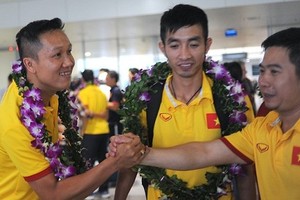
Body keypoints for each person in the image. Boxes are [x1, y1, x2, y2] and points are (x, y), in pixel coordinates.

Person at [110, 27, 300, 200]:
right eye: (263, 71)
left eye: (274, 72)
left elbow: (242, 173)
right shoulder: (263, 128)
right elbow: (202, 153)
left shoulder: (229, 100)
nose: (263, 81)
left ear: (206, 45)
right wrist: (138, 152)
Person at [114, 4, 256, 200]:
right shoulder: (147, 99)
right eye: (174, 45)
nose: (185, 55)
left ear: (207, 45)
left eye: (194, 44)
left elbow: (245, 167)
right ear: (162, 48)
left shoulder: (233, 100)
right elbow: (130, 160)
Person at [0, 18, 143, 200]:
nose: (69, 62)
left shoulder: (49, 92)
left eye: (69, 51)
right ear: (29, 64)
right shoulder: (16, 120)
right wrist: (116, 161)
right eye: (57, 55)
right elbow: (53, 193)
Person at [77, 69, 111, 198]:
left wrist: (81, 132)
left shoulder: (83, 93)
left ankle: (88, 191)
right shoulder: (101, 93)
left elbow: (84, 115)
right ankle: (104, 190)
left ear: (83, 80)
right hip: (104, 130)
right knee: (103, 162)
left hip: (90, 132)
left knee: (87, 163)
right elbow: (106, 115)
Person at [106, 70, 124, 137]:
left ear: (113, 79)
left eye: (107, 78)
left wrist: (102, 103)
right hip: (113, 123)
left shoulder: (116, 91)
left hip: (115, 123)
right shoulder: (113, 90)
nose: (106, 80)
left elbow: (115, 106)